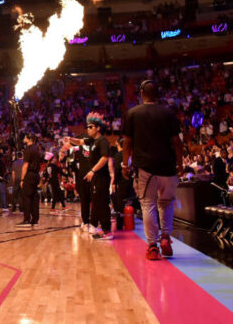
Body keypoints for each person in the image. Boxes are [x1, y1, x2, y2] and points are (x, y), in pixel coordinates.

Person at [122, 80, 183, 260]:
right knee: (166, 203)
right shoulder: (168, 113)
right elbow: (177, 142)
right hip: (168, 167)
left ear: (141, 93)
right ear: (157, 94)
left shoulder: (132, 113)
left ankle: (152, 246)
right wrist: (180, 164)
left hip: (145, 168)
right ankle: (165, 238)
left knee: (148, 204)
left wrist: (125, 164)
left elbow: (127, 143)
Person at [67, 113, 112, 240]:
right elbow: (79, 142)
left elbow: (104, 158)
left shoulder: (102, 141)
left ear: (98, 128)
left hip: (101, 177)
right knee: (97, 203)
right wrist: (69, 139)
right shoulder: (92, 140)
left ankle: (107, 231)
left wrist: (92, 170)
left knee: (102, 203)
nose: (88, 129)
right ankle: (104, 229)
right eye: (87, 126)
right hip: (95, 178)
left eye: (91, 126)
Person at [16, 134, 41, 229]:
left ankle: (27, 219)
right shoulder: (37, 148)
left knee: (26, 197)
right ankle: (35, 219)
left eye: (25, 137)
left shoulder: (28, 149)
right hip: (36, 175)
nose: (23, 139)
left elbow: (25, 165)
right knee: (34, 197)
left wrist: (22, 179)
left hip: (29, 175)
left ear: (29, 139)